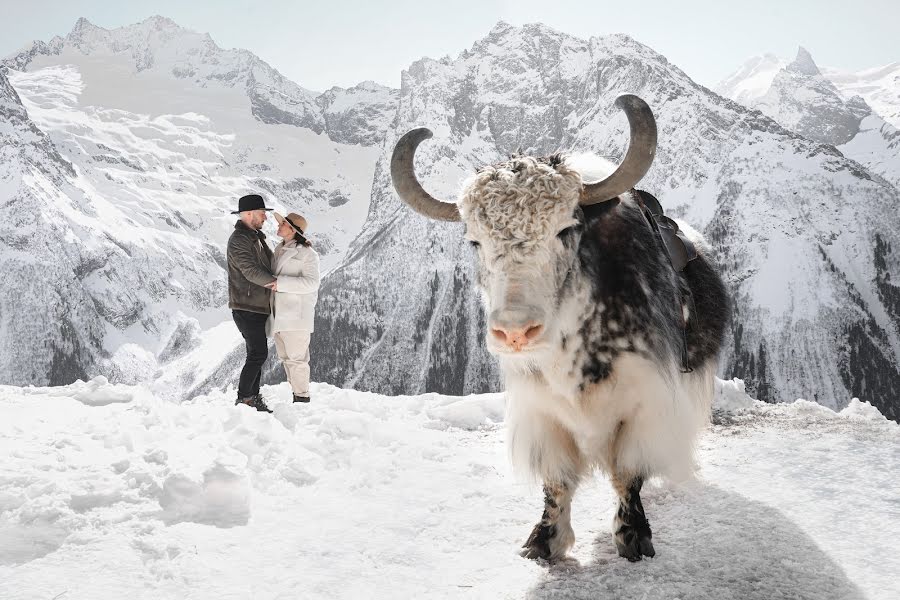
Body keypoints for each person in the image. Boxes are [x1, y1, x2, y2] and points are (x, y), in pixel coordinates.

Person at [227, 193, 276, 412]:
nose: (265, 218)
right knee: (259, 353)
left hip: (256, 306)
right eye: (261, 213)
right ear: (248, 214)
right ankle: (244, 397)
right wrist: (276, 284)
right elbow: (250, 271)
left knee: (255, 353)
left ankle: (251, 397)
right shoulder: (239, 240)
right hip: (246, 307)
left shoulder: (255, 237)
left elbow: (268, 264)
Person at [267, 212, 320, 403]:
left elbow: (312, 283)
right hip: (279, 315)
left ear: (293, 230)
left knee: (297, 359)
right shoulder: (279, 249)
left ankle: (302, 398)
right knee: (286, 358)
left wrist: (281, 283)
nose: (278, 225)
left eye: (282, 223)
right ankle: (296, 395)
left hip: (297, 316)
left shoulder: (308, 254)